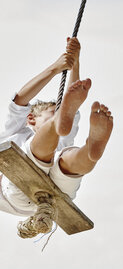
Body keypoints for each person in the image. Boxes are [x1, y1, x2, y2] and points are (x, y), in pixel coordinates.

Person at [0, 37, 113, 237]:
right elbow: (20, 100)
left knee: (68, 160)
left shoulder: (58, 135)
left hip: (55, 192)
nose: (59, 112)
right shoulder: (17, 131)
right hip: (19, 188)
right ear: (31, 119)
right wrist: (56, 67)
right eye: (53, 112)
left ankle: (90, 151)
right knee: (41, 151)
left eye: (59, 113)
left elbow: (73, 95)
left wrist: (75, 62)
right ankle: (82, 148)